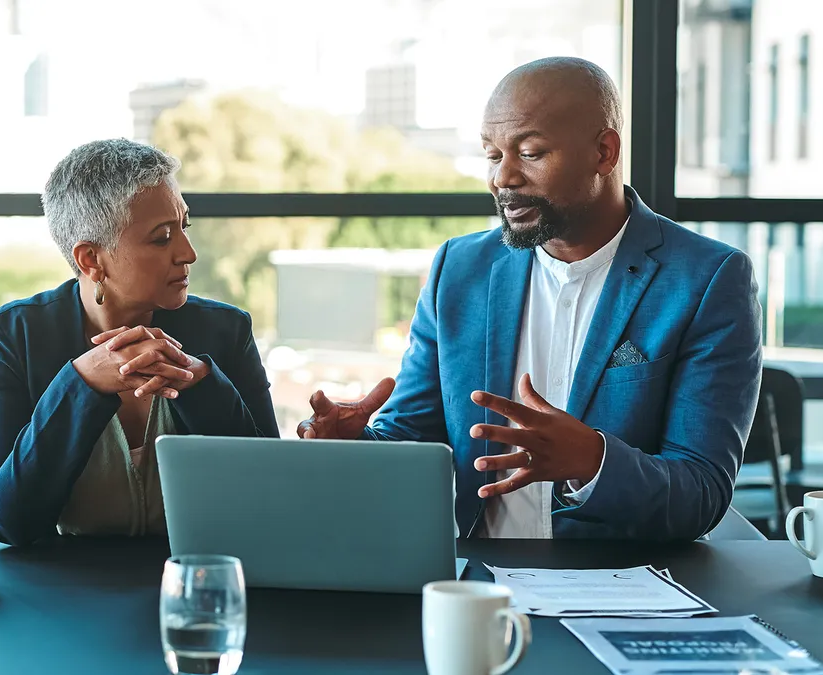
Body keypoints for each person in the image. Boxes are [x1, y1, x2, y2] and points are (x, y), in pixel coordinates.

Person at [298, 57, 762, 540]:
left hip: (622, 585)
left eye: (531, 152)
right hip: (473, 578)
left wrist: (593, 461)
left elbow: (702, 491)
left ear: (604, 153)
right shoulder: (457, 270)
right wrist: (356, 447)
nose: (503, 178)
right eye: (493, 155)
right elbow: (413, 438)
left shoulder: (708, 279)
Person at [0, 139, 279, 546]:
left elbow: (269, 493)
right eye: (161, 238)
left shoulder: (226, 331)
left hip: (197, 579)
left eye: (184, 227)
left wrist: (202, 383)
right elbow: (7, 522)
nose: (188, 253)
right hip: (59, 594)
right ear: (91, 260)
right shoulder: (13, 337)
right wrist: (81, 384)